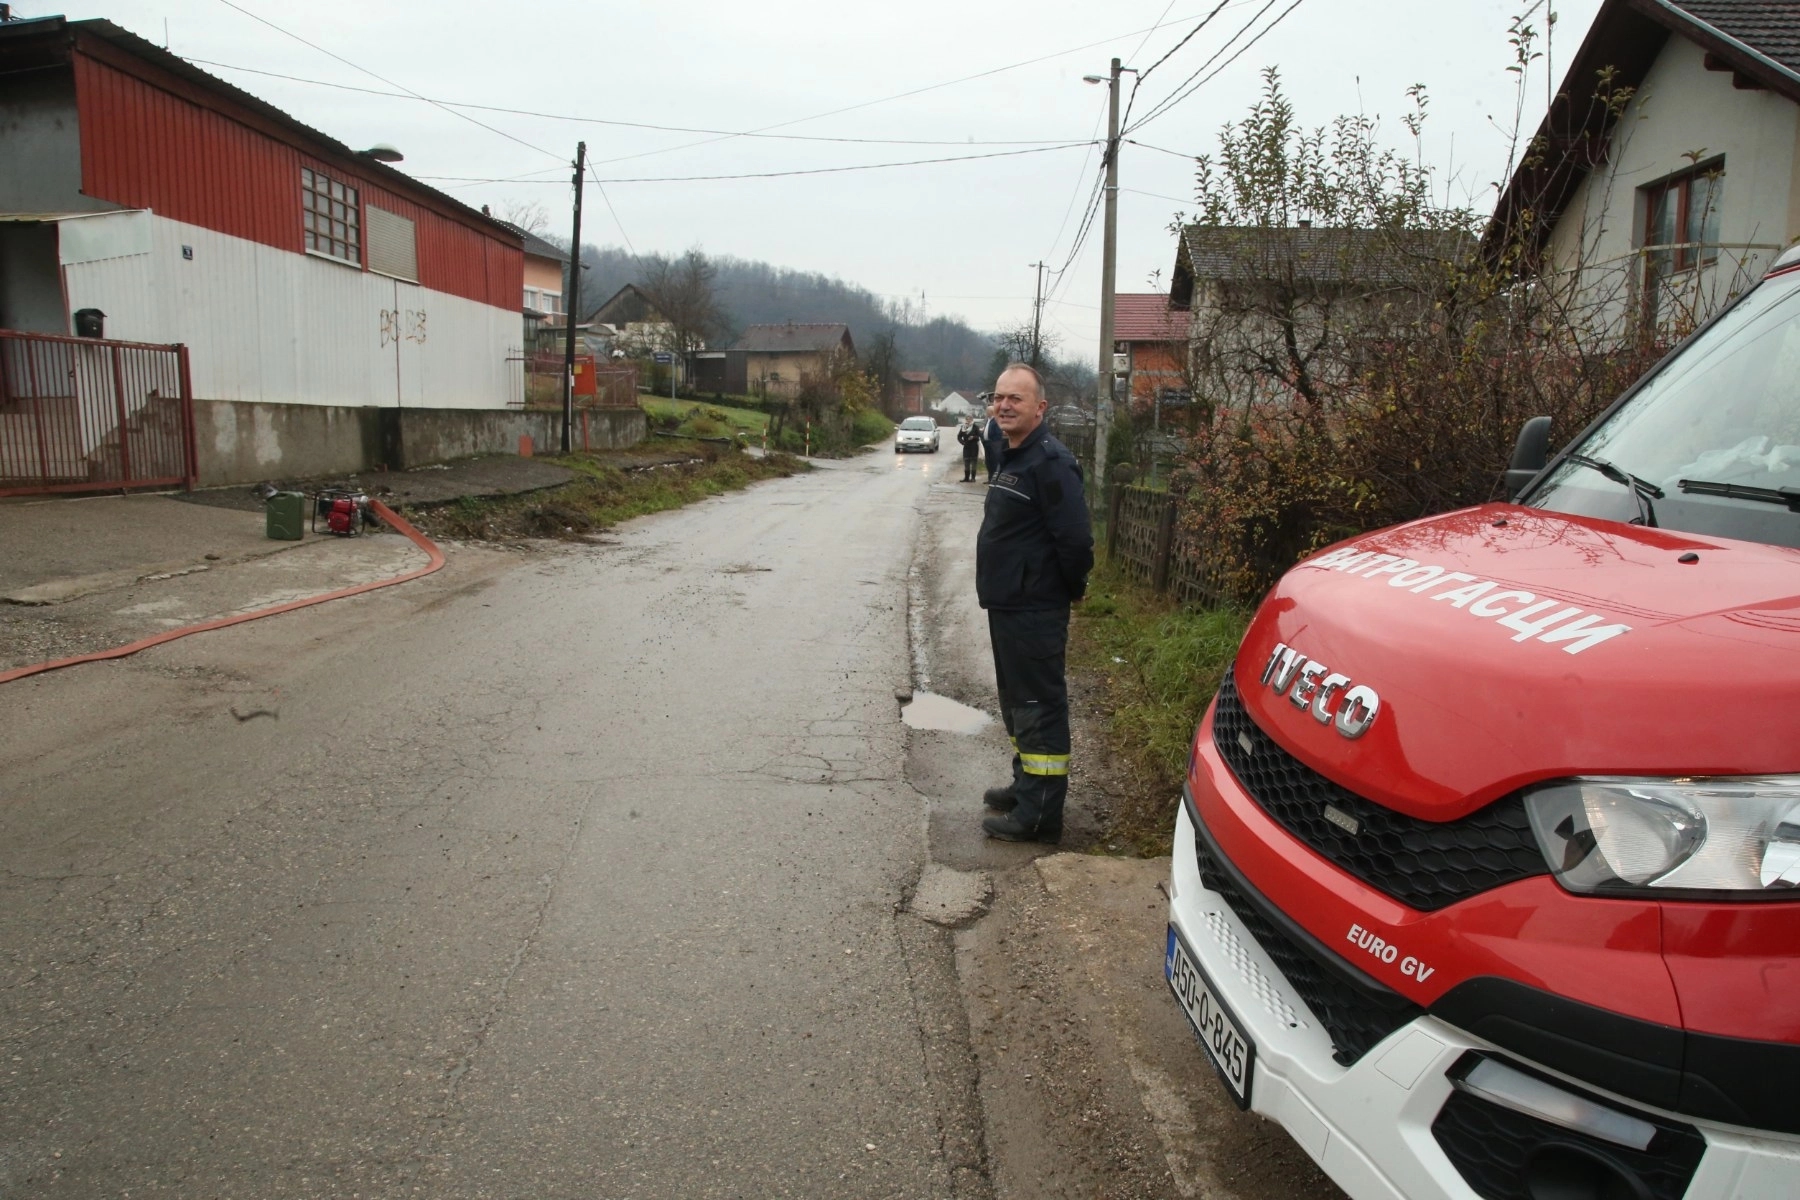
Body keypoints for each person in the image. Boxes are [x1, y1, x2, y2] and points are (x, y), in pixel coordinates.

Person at [976, 363, 1093, 843]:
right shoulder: (1011, 453)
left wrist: (1064, 592)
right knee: (1016, 704)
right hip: (1009, 605)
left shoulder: (1051, 463)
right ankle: (1027, 787)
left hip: (1034, 610)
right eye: (998, 397)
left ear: (1040, 408)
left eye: (1015, 399)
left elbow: (1076, 541)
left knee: (1038, 706)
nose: (1003, 405)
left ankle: (1040, 816)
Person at [980, 397, 1004, 482]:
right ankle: (990, 478)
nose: (986, 413)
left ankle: (995, 479)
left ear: (991, 412)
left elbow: (998, 433)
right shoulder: (988, 420)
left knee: (994, 462)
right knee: (988, 462)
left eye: (987, 411)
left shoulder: (996, 420)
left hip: (994, 444)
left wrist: (993, 441)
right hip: (987, 443)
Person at [956, 414, 982, 481]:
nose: (968, 420)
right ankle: (966, 478)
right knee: (966, 462)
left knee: (973, 462)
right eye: (967, 419)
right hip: (966, 447)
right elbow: (959, 436)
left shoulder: (975, 427)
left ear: (972, 420)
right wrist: (962, 442)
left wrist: (973, 437)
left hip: (974, 447)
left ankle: (973, 478)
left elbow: (979, 436)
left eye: (969, 419)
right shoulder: (963, 427)